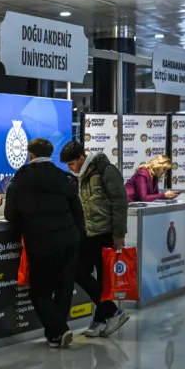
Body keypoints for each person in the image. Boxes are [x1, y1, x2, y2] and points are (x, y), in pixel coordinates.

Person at [5, 139, 84, 349]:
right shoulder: (63, 177)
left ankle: (59, 329)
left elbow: (10, 214)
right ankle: (55, 334)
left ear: (30, 155)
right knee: (64, 287)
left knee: (39, 291)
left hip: (42, 240)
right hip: (70, 238)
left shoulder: (21, 178)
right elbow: (78, 210)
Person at [60, 142, 130, 338]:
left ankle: (101, 320)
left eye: (72, 163)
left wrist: (119, 234)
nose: (70, 168)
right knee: (78, 272)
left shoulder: (105, 171)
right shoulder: (77, 177)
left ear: (82, 157)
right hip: (86, 234)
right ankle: (111, 312)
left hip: (105, 233)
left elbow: (120, 201)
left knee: (104, 279)